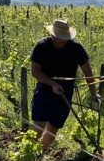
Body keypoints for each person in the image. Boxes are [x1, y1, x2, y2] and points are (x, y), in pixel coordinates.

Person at [30, 18, 100, 151]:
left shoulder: (76, 48)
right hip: (44, 91)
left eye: (63, 38)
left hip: (65, 94)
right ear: (52, 34)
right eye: (57, 38)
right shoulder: (42, 46)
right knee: (38, 126)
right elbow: (35, 71)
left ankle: (39, 155)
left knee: (53, 130)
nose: (60, 41)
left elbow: (87, 71)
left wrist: (93, 93)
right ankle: (27, 157)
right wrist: (52, 84)